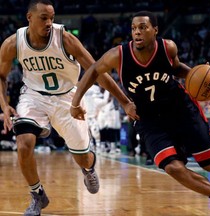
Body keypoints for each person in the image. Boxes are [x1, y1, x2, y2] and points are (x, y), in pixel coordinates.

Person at [70, 11, 210, 215]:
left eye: (143, 27)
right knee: (172, 167)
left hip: (180, 110)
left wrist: (202, 77)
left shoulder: (168, 47)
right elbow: (94, 70)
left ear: (155, 30)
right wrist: (81, 102)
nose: (137, 32)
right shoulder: (118, 55)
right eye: (133, 28)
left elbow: (175, 68)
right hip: (148, 118)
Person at [0, 0, 136, 215]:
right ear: (29, 18)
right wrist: (5, 105)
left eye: (52, 18)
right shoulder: (12, 43)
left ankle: (89, 167)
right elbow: (1, 76)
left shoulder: (64, 39)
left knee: (82, 157)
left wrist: (125, 101)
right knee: (24, 143)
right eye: (44, 17)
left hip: (68, 98)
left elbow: (97, 71)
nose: (49, 22)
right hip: (34, 96)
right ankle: (37, 195)